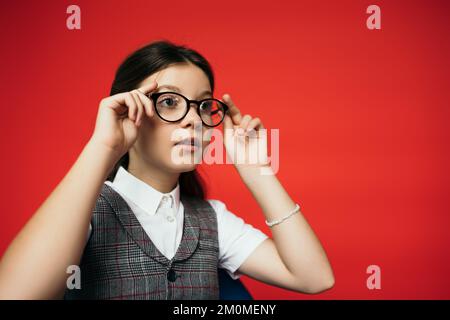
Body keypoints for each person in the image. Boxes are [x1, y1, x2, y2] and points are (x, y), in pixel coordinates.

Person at [0, 40, 334, 299]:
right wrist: (103, 147)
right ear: (129, 111)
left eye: (204, 105)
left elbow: (314, 278)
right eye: (170, 101)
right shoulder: (85, 210)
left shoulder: (211, 220)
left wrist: (255, 171)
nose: (194, 118)